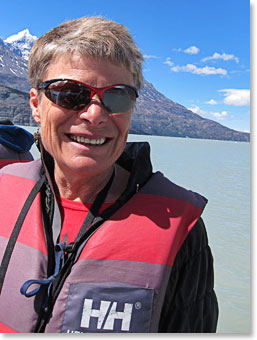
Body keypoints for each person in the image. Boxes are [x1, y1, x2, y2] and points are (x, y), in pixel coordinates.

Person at [0, 16, 218, 333]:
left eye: (117, 96)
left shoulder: (183, 229)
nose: (95, 115)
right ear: (36, 104)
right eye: (70, 94)